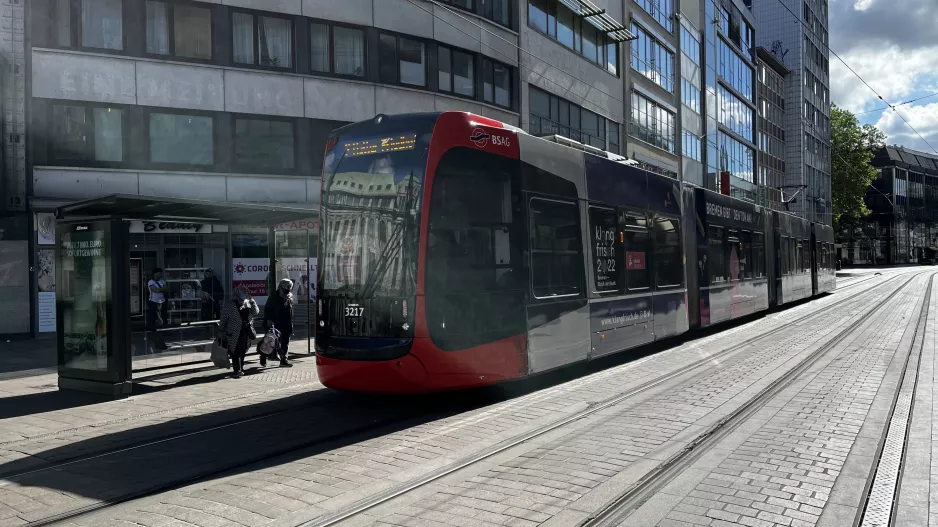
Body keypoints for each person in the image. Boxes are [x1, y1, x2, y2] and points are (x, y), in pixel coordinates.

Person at [219, 285, 259, 378]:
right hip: (234, 331)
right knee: (235, 350)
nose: (244, 293)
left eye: (245, 291)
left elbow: (256, 312)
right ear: (237, 292)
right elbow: (224, 317)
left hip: (245, 329)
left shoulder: (248, 303)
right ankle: (237, 370)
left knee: (244, 349)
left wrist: (252, 301)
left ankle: (241, 367)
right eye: (242, 291)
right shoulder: (230, 304)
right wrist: (221, 329)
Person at [263, 278, 295, 368]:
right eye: (288, 286)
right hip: (276, 323)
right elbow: (268, 309)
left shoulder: (289, 296)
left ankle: (284, 359)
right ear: (282, 286)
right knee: (273, 341)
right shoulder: (274, 296)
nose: (289, 288)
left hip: (287, 322)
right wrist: (269, 320)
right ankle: (265, 356)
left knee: (285, 342)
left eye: (290, 287)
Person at [147, 268, 169, 351]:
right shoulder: (151, 282)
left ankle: (163, 331)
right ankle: (153, 332)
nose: (161, 275)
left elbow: (166, 289)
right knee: (155, 317)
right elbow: (154, 290)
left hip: (162, 301)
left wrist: (159, 289)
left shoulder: (162, 281)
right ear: (155, 274)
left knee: (163, 317)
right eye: (159, 273)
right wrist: (161, 289)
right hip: (154, 301)